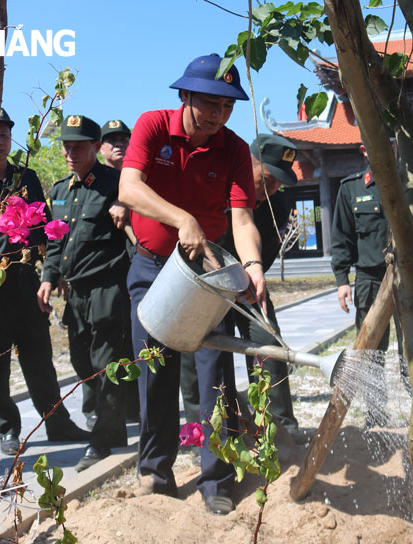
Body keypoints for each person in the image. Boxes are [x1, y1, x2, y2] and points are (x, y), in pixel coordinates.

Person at [118, 53, 266, 516]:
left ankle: (215, 478)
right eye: (210, 103)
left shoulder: (236, 150)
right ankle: (156, 473)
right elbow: (128, 188)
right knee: (154, 373)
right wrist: (181, 218)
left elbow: (241, 218)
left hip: (207, 274)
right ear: (185, 95)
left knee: (213, 376)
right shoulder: (153, 127)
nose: (219, 114)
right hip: (151, 268)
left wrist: (253, 264)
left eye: (228, 106)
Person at [0, 109, 90, 455]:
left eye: (4, 135)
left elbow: (44, 228)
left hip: (27, 284)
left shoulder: (25, 176)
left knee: (40, 359)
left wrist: (50, 274)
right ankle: (7, 429)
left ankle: (57, 422)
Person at [180, 133, 304, 442]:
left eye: (279, 181)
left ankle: (279, 429)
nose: (273, 187)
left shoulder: (276, 201)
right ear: (248, 162)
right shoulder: (214, 184)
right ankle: (207, 433)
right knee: (197, 354)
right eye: (267, 178)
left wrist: (251, 279)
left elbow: (269, 249)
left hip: (247, 286)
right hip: (202, 286)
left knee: (269, 346)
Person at [37, 114, 133, 471]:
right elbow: (54, 240)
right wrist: (48, 277)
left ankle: (102, 439)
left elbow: (138, 228)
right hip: (74, 291)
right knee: (81, 362)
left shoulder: (117, 184)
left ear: (96, 147)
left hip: (108, 287)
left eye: (79, 146)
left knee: (106, 364)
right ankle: (109, 426)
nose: (70, 152)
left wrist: (128, 208)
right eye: (66, 146)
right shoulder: (60, 190)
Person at [331, 144, 413, 427]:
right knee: (372, 351)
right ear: (364, 148)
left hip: (410, 277)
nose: (388, 149)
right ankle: (376, 414)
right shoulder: (351, 189)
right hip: (370, 280)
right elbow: (342, 237)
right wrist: (341, 281)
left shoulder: (411, 186)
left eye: (392, 143)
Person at [99, 119, 140, 424]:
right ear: (99, 147)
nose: (119, 145)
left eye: (124, 139)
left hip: (136, 270)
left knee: (136, 342)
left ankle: (137, 407)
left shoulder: (141, 177)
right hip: (105, 279)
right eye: (111, 140)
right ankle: (107, 409)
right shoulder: (93, 180)